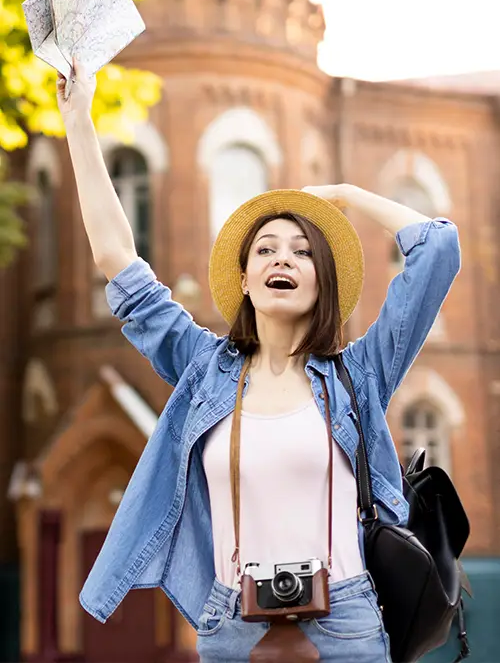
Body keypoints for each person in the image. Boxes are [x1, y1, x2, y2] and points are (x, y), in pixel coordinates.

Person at [58, 62, 460, 663]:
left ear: (321, 281)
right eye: (266, 248)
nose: (284, 258)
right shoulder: (204, 368)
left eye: (303, 252)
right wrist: (78, 120)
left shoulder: (361, 373)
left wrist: (344, 197)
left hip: (346, 619)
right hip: (231, 621)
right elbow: (119, 261)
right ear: (245, 279)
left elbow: (437, 249)